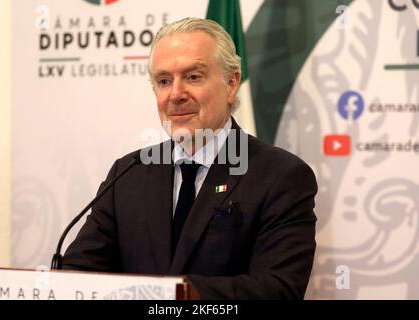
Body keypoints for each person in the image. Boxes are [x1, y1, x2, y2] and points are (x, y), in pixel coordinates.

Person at [62, 17, 317, 299]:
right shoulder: (128, 173)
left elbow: (277, 290)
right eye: (163, 81)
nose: (176, 94)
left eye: (193, 77)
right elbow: (79, 273)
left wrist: (169, 295)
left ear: (231, 83)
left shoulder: (281, 176)